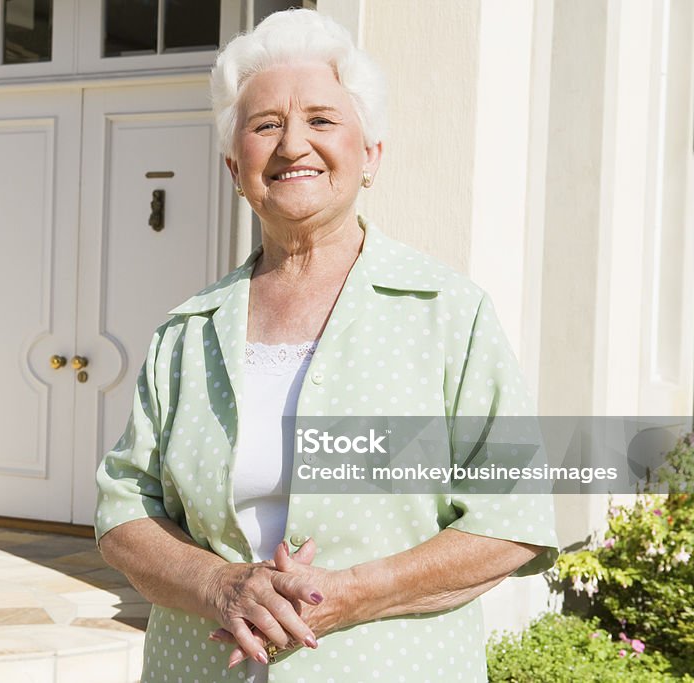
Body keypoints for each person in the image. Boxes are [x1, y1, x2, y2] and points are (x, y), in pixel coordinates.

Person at [94, 9, 559, 682]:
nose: (292, 145)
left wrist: (350, 594)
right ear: (234, 165)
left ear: (370, 154)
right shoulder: (186, 330)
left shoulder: (449, 313)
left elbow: (514, 514)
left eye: (321, 119)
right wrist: (220, 583)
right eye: (265, 125)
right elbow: (122, 511)